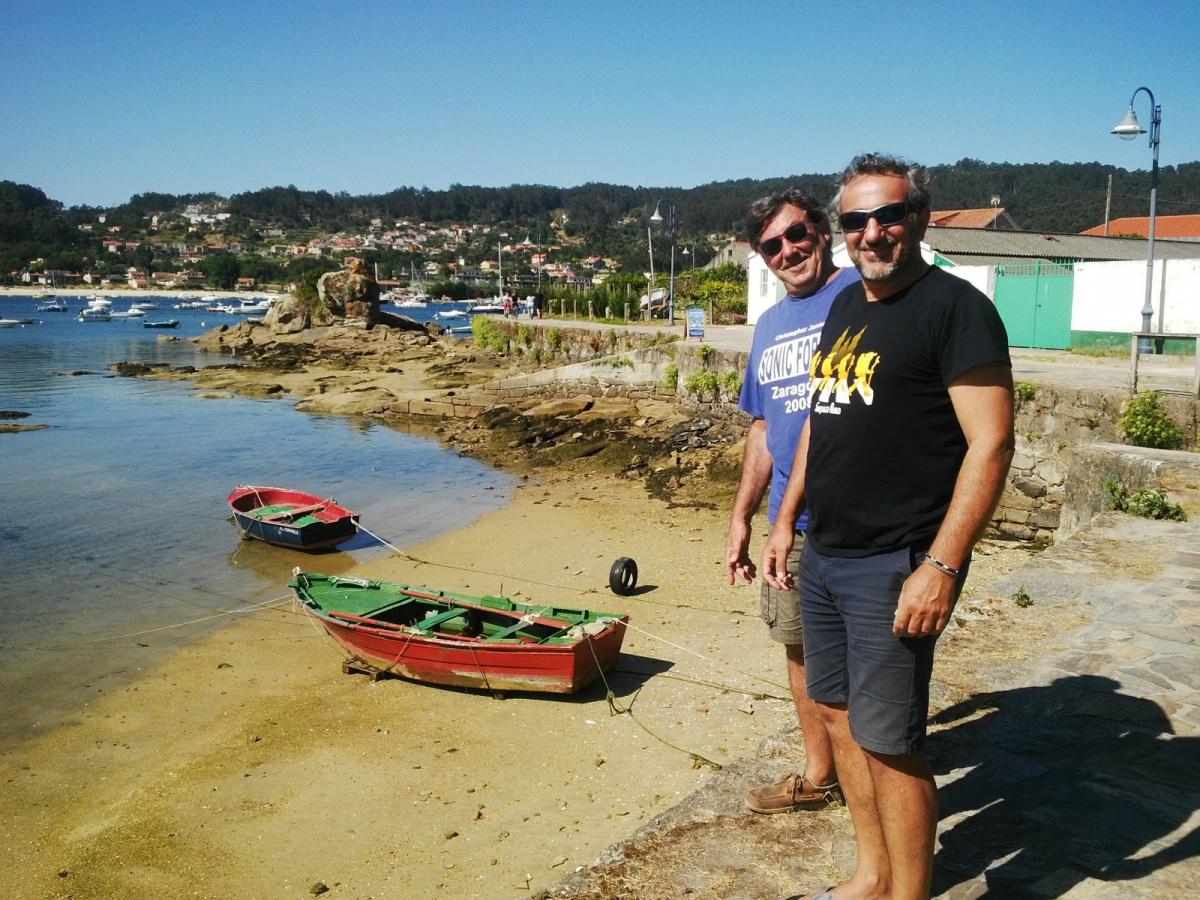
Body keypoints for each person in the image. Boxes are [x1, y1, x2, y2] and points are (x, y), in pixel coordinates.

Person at [762, 154, 1014, 900]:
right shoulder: (846, 307)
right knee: (838, 722)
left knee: (892, 744)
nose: (872, 232)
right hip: (826, 551)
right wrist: (783, 523)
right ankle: (871, 877)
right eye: (856, 220)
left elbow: (991, 442)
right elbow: (818, 419)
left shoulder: (956, 309)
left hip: (895, 561)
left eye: (888, 215)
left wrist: (939, 564)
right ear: (842, 231)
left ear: (919, 219)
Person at [725, 189, 860, 814]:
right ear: (761, 256)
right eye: (772, 245)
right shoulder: (770, 325)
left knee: (872, 659)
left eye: (797, 234)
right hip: (791, 529)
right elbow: (762, 429)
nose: (789, 251)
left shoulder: (860, 296)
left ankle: (878, 777)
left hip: (860, 520)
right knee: (800, 651)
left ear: (822, 232)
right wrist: (740, 519)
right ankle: (819, 774)